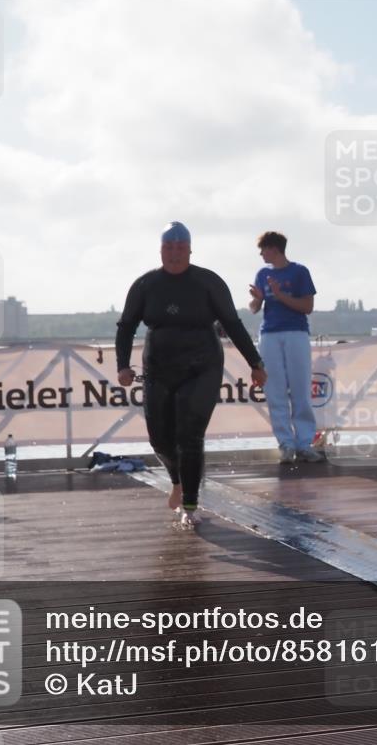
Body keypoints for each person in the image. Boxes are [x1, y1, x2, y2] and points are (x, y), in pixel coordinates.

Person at [116, 222, 267, 528]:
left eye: (180, 248)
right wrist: (122, 364)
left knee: (189, 434)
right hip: (159, 367)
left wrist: (255, 363)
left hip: (203, 365)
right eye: (168, 248)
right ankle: (177, 481)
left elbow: (233, 325)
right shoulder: (146, 285)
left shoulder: (207, 282)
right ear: (161, 251)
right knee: (159, 439)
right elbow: (127, 326)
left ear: (189, 249)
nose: (174, 254)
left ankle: (190, 505)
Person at [248, 231, 323, 463]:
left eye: (263, 249)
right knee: (275, 390)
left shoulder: (299, 272)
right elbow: (253, 309)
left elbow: (307, 306)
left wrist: (280, 295)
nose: (261, 254)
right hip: (269, 334)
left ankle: (304, 443)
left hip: (296, 333)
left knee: (300, 389)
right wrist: (259, 298)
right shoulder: (262, 273)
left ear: (274, 248)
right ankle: (286, 444)